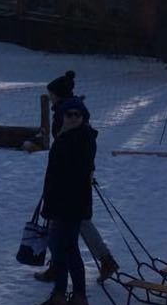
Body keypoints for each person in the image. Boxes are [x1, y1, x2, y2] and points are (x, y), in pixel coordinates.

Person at [34, 71, 118, 285]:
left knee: (70, 223)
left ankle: (97, 261)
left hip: (69, 183)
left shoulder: (67, 113)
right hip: (68, 180)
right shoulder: (72, 111)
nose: (50, 97)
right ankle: (95, 261)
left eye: (51, 93)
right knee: (72, 223)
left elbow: (72, 147)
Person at [33, 97, 96, 305]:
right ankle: (78, 297)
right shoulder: (69, 135)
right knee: (68, 249)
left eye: (76, 115)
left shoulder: (80, 139)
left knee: (60, 249)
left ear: (83, 117)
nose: (72, 118)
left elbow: (73, 175)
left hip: (69, 205)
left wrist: (56, 202)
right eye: (68, 114)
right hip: (65, 203)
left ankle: (60, 295)